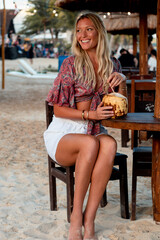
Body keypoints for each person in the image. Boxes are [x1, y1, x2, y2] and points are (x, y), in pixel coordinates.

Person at [44, 11, 126, 240]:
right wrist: (90, 113)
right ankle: (75, 218)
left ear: (99, 32)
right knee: (90, 144)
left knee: (109, 145)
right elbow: (57, 109)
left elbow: (121, 106)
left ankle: (89, 219)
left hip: (93, 131)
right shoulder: (71, 64)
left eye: (88, 29)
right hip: (64, 131)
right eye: (79, 30)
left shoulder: (113, 64)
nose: (83, 35)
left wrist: (123, 81)